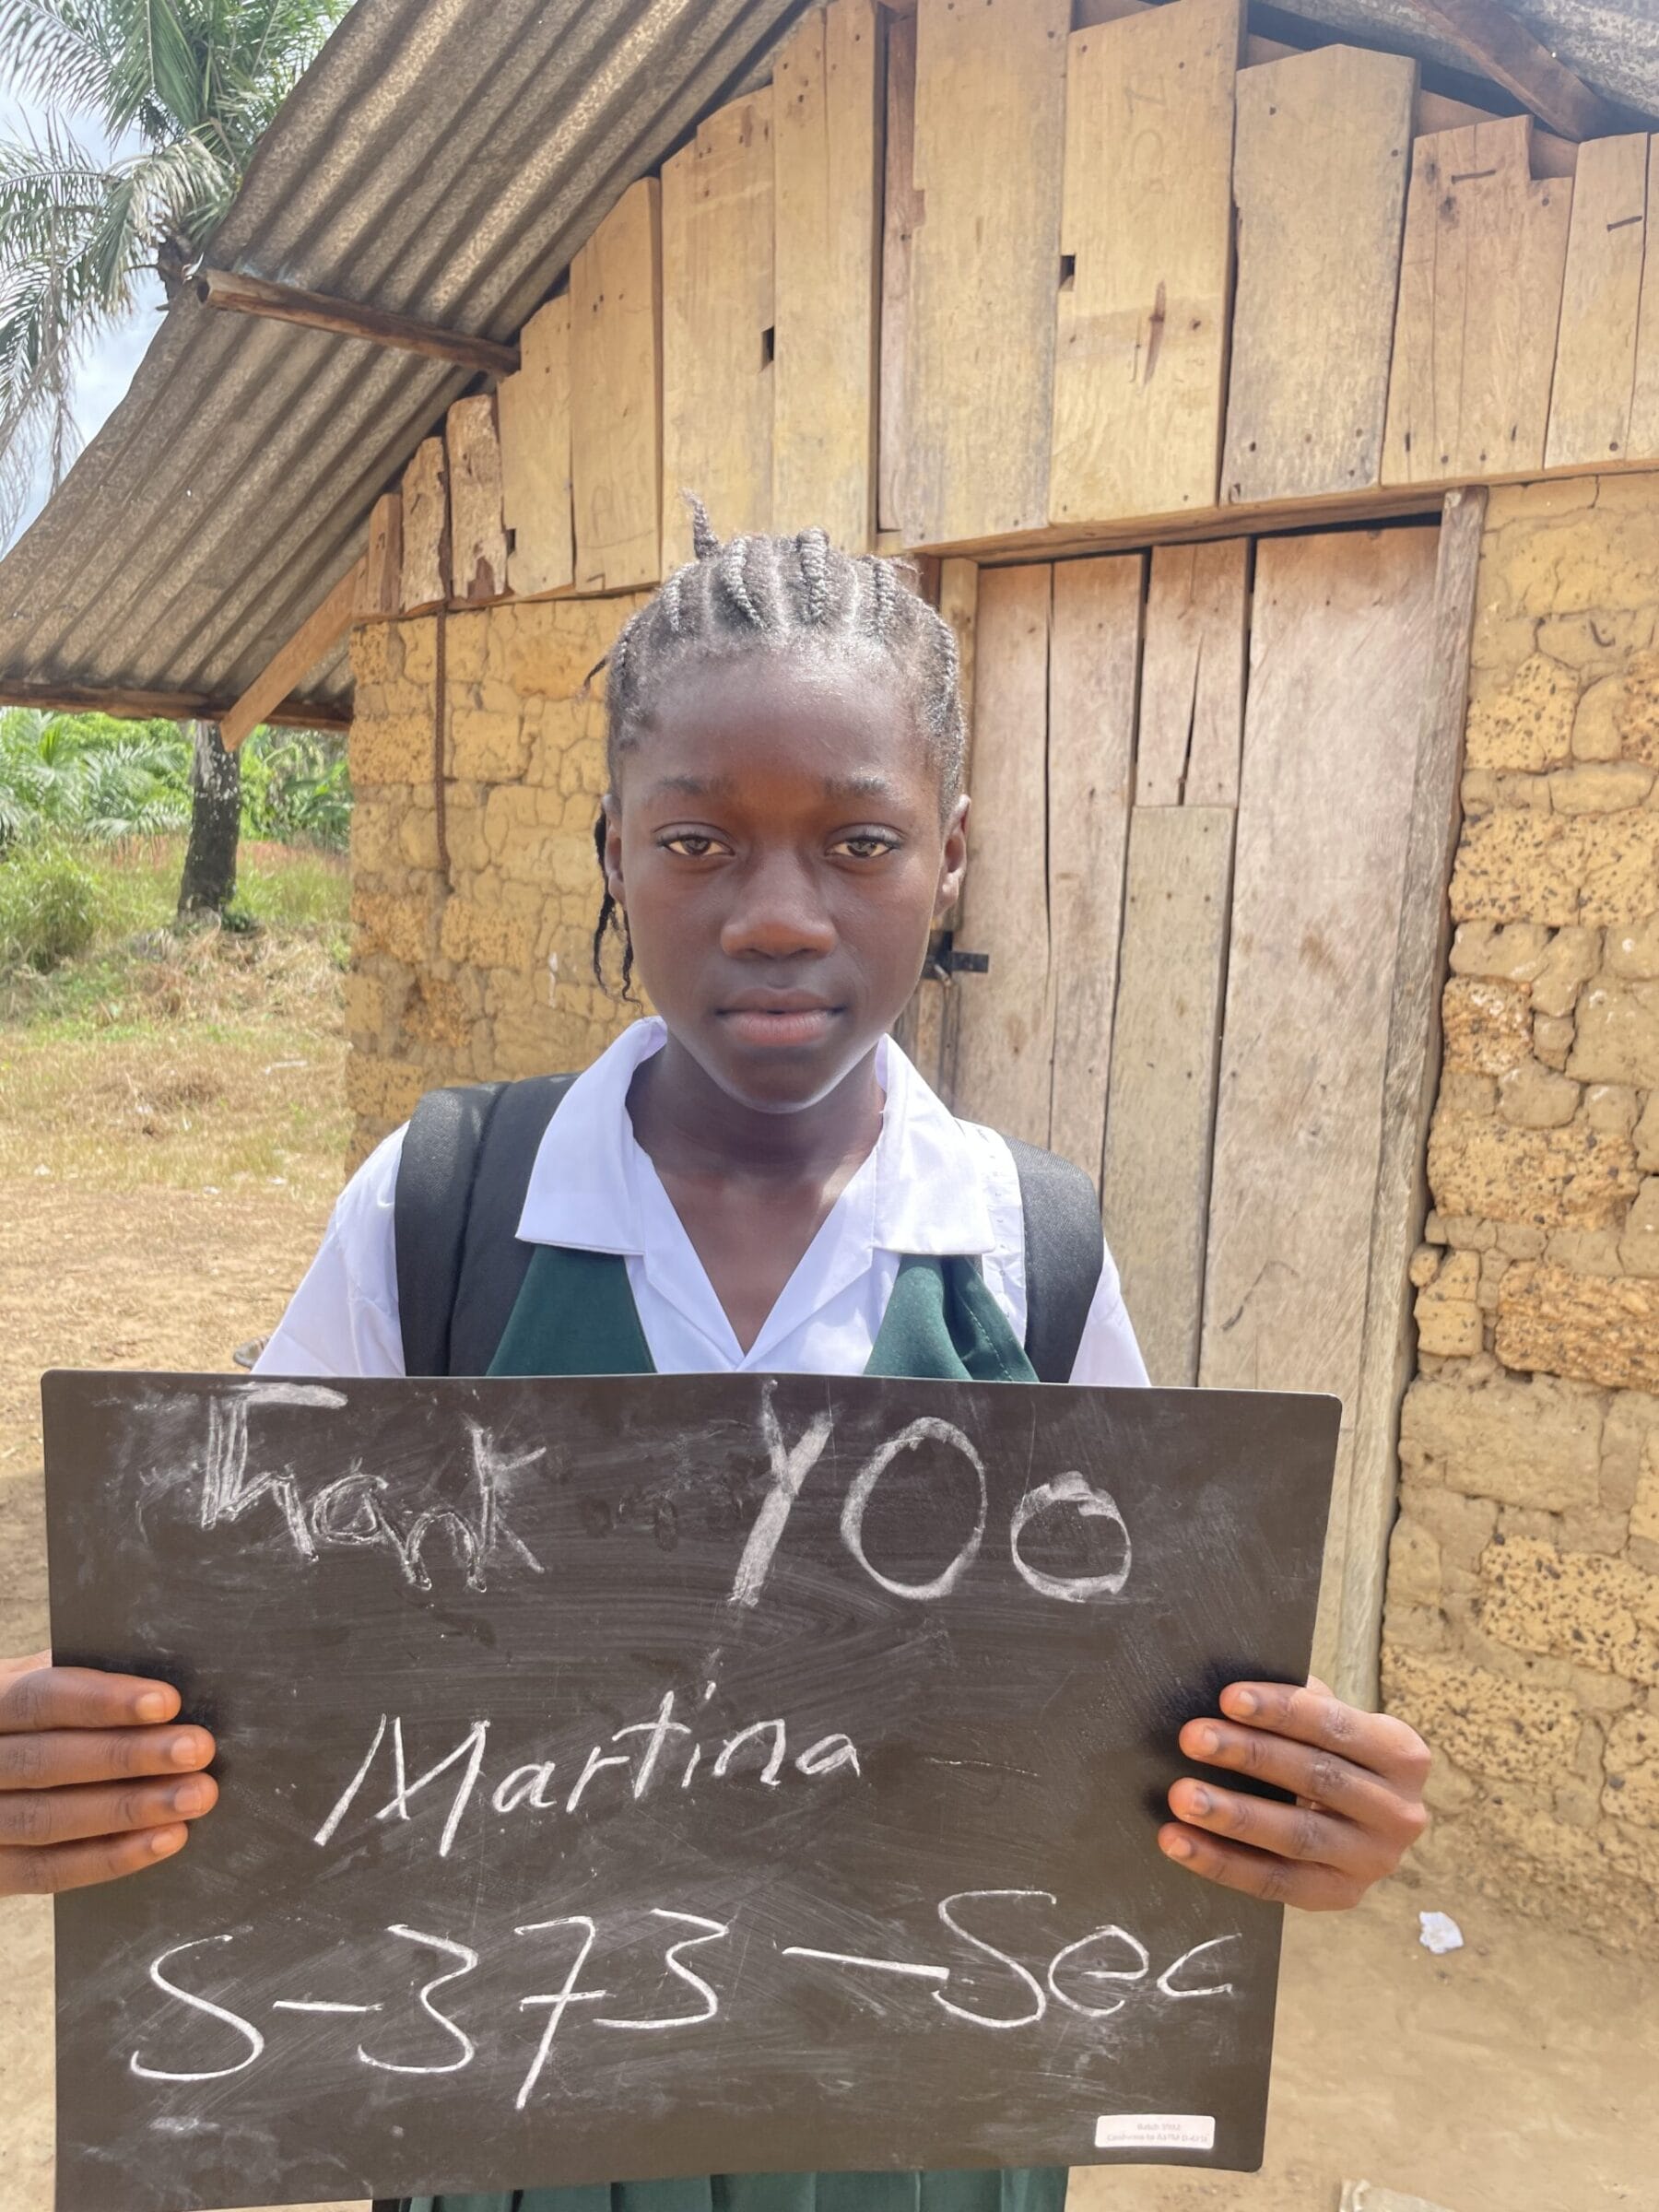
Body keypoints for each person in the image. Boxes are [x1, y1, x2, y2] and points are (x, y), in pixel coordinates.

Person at [0, 510, 1431, 2212]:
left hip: (915, 2147)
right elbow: (240, 1681)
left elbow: (1141, 1727)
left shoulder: (1024, 1254)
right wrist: (83, 1775)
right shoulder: (444, 1212)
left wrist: (1294, 1808)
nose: (775, 915)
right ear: (613, 850)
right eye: (696, 841)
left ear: (951, 857)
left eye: (859, 842)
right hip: (509, 2124)